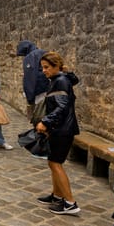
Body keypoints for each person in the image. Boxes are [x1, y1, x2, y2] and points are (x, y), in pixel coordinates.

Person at [35, 51, 81, 215]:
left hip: (62, 129)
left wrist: (45, 122)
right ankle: (57, 196)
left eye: (47, 67)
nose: (44, 71)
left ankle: (69, 203)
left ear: (57, 67)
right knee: (53, 162)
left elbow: (62, 107)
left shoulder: (60, 81)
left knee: (55, 163)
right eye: (43, 68)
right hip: (61, 128)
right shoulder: (60, 79)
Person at [16, 40, 49, 124]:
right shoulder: (43, 52)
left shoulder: (30, 57)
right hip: (48, 88)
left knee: (39, 117)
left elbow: (31, 79)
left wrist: (29, 97)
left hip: (38, 90)